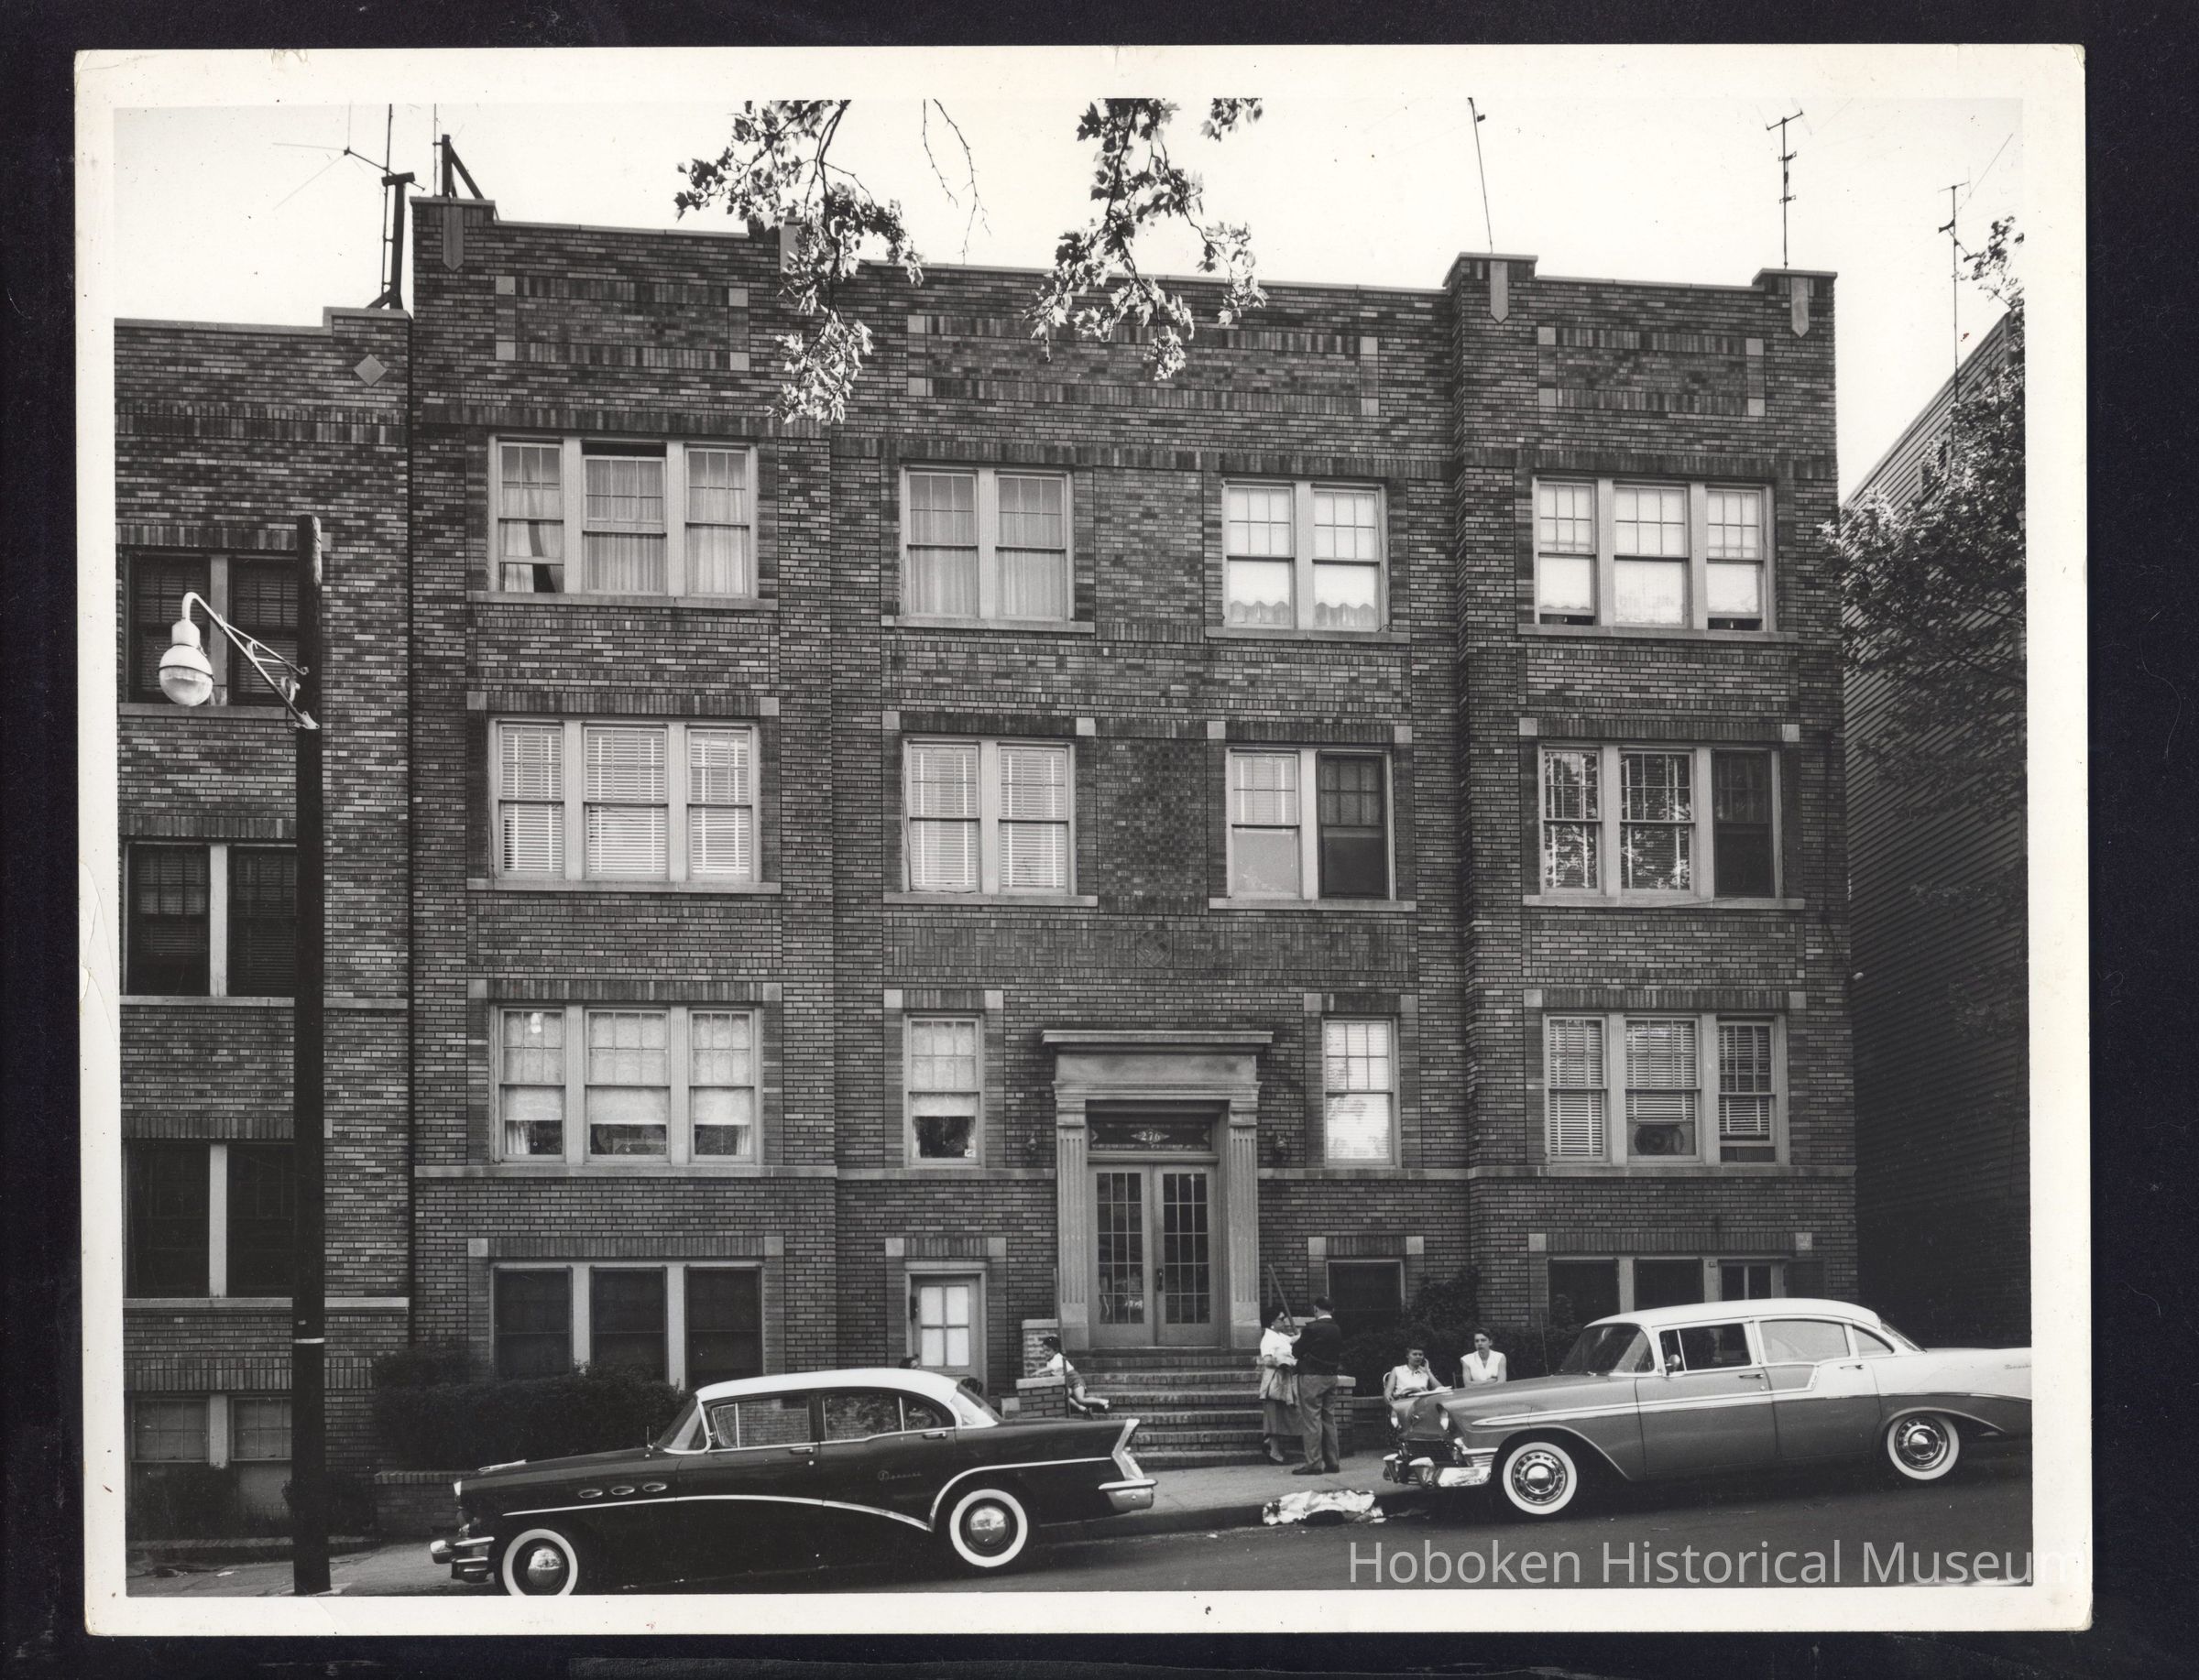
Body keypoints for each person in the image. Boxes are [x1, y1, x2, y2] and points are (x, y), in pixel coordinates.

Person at [1291, 1296, 1346, 1475]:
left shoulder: (1311, 1328)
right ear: (1332, 1310)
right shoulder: (1337, 1328)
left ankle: (1314, 1464)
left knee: (1311, 1421)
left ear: (1316, 1309)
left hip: (1311, 1377)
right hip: (1331, 1376)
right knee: (1328, 1419)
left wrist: (1298, 1341)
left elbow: (1297, 1351)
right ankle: (1333, 1462)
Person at [1256, 1309, 1300, 1464]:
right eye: (1281, 1319)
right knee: (1274, 1414)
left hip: (1284, 1378)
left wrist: (1307, 1333)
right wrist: (1285, 1362)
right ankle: (1274, 1452)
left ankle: (1270, 1443)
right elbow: (1267, 1360)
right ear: (1272, 1322)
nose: (1284, 1321)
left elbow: (1291, 1340)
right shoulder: (1268, 1338)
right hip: (1275, 1379)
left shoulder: (1279, 1336)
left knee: (1282, 1414)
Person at [1036, 1333, 1110, 1414]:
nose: (1045, 1353)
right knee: (1063, 1395)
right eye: (1044, 1351)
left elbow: (1053, 1368)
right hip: (1067, 1383)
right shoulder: (1049, 1361)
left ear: (1056, 1350)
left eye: (1048, 1350)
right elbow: (1053, 1373)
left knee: (1080, 1399)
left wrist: (1039, 1371)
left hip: (1075, 1380)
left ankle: (1104, 1402)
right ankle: (1082, 1409)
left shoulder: (1059, 1358)